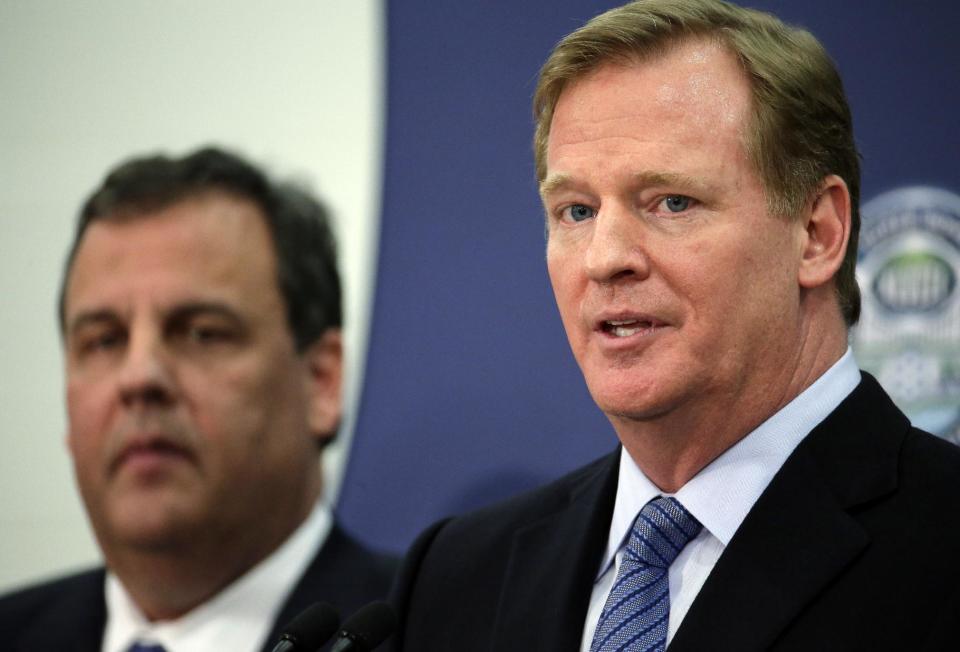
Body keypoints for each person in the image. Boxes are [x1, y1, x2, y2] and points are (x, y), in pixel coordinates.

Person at [389, 1, 960, 650]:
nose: (605, 258)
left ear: (816, 233)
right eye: (576, 211)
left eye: (672, 202)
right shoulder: (459, 577)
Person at [0, 147, 396, 652]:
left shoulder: (442, 630)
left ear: (320, 381)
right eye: (103, 340)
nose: (139, 378)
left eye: (203, 333)